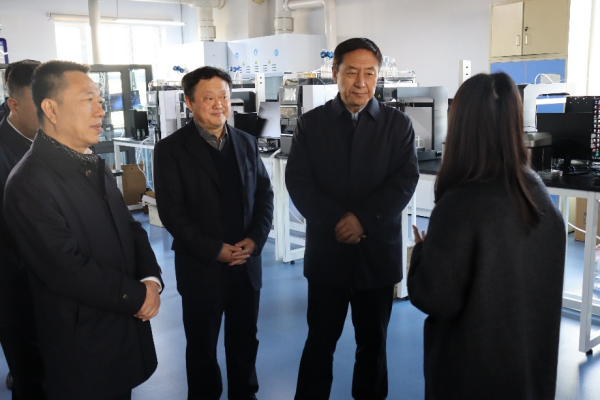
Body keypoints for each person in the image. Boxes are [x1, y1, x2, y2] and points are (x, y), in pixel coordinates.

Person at [3, 60, 164, 400]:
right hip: (80, 344)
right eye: (88, 100)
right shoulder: (29, 182)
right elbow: (66, 269)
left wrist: (151, 278)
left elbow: (130, 227)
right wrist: (137, 296)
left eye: (100, 100)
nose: (101, 110)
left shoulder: (90, 161)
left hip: (119, 330)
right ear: (51, 109)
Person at [407, 72, 566, 399]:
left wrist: (422, 254)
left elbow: (435, 297)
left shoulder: (459, 205)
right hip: (528, 379)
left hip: (471, 378)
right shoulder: (540, 200)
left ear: (460, 126)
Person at [285, 37, 419, 400]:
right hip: (327, 254)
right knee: (319, 342)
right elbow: (298, 181)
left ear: (378, 76)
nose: (361, 82)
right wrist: (336, 221)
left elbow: (405, 180)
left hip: (376, 254)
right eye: (351, 72)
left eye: (369, 73)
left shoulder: (397, 125)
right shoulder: (311, 124)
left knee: (373, 345)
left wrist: (362, 220)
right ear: (335, 73)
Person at [154, 66, 273, 400]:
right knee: (202, 345)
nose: (219, 104)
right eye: (209, 98)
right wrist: (214, 249)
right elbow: (173, 212)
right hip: (201, 266)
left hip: (245, 264)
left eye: (224, 96)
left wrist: (256, 239)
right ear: (189, 102)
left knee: (245, 339)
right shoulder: (171, 149)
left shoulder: (246, 142)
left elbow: (264, 195)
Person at [0, 59, 44, 399]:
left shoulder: (59, 141)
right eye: (39, 102)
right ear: (13, 105)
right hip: (16, 286)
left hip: (62, 284)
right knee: (31, 375)